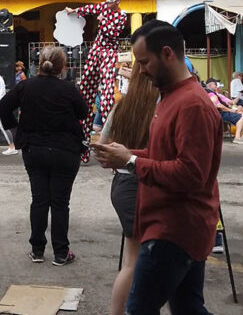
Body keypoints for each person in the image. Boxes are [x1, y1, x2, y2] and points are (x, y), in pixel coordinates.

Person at [93, 20, 222, 315]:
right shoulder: (169, 96)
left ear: (167, 54)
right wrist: (125, 154)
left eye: (144, 62)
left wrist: (131, 161)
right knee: (188, 308)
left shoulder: (192, 105)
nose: (140, 71)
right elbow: (164, 154)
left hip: (174, 231)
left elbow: (190, 174)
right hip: (171, 226)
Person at [0, 46, 87, 266]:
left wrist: (17, 130)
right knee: (60, 202)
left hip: (34, 149)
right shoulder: (69, 88)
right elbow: (84, 113)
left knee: (39, 200)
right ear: (62, 66)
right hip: (65, 150)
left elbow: (3, 106)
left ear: (40, 64)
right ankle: (61, 252)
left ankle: (37, 250)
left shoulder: (26, 86)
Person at [98, 62, 159, 315]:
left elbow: (102, 145)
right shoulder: (160, 106)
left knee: (132, 260)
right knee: (143, 261)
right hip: (146, 183)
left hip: (122, 183)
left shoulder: (122, 106)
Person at [66, 0, 128, 162]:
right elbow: (90, 9)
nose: (107, 3)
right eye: (107, 0)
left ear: (117, 2)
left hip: (109, 51)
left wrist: (103, 22)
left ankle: (110, 146)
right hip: (96, 50)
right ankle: (83, 150)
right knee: (85, 90)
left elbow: (114, 33)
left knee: (107, 93)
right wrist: (75, 12)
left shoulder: (122, 15)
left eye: (110, 1)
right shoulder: (103, 7)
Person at [207, 78, 243, 144]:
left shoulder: (212, 93)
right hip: (219, 113)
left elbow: (227, 103)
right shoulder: (211, 94)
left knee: (242, 114)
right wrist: (230, 110)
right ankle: (238, 137)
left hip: (218, 113)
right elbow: (218, 105)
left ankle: (241, 136)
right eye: (215, 84)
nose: (216, 85)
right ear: (210, 85)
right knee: (241, 116)